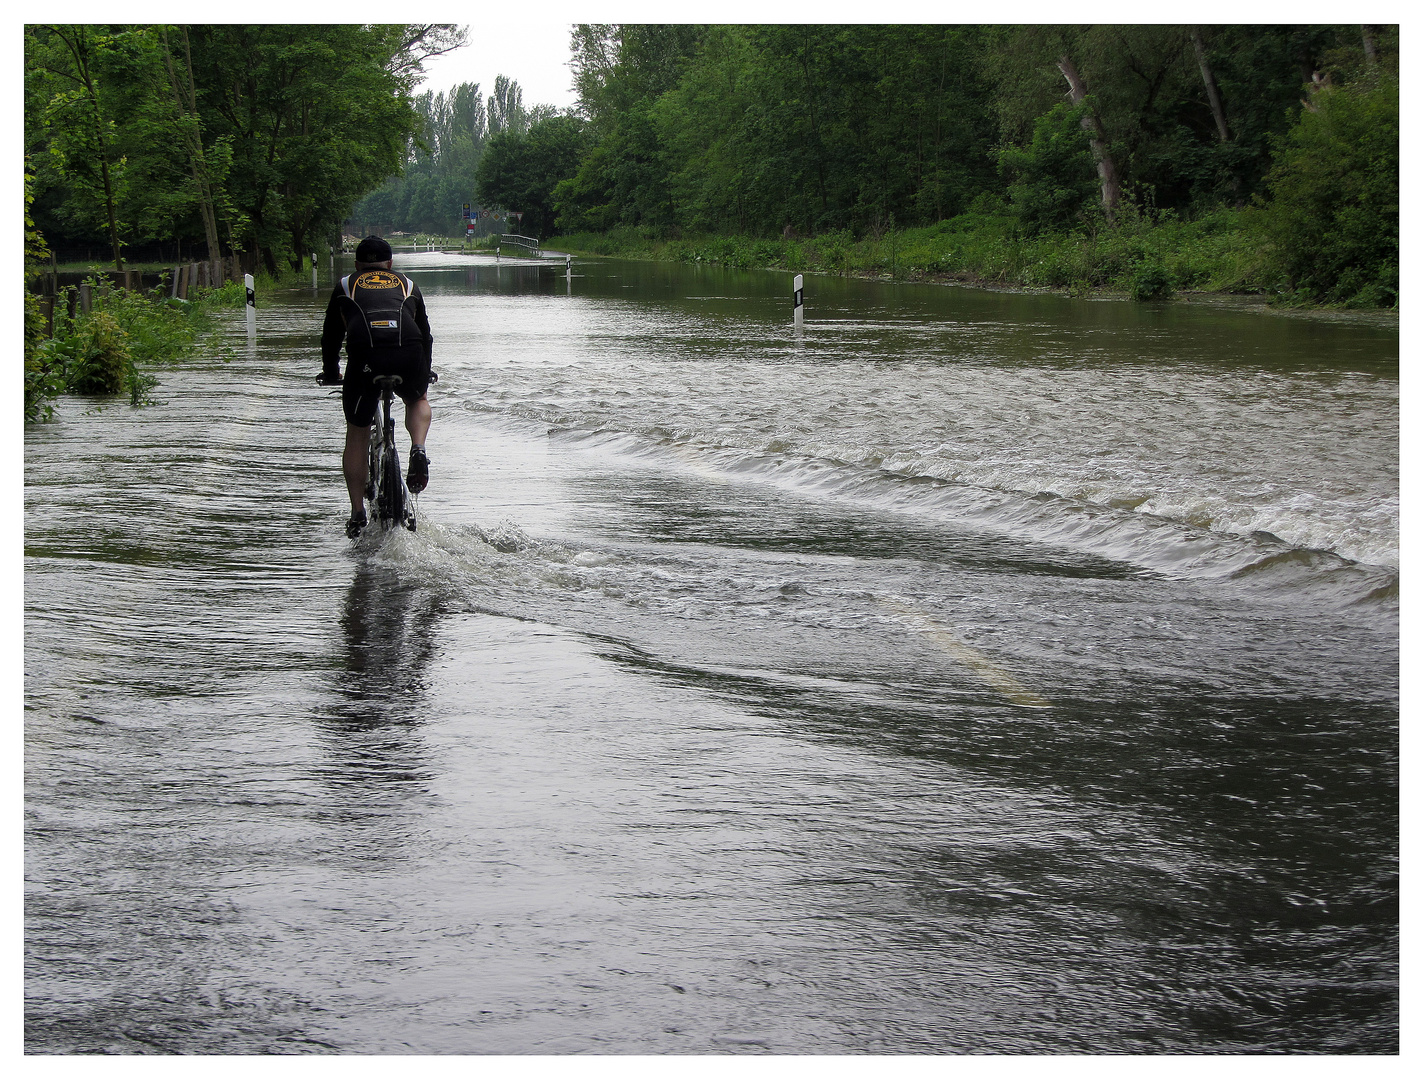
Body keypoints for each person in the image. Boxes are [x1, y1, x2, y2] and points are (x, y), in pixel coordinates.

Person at [318, 235, 434, 538]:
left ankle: (357, 513)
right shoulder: (407, 284)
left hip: (365, 357)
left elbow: (331, 338)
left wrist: (332, 372)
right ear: (390, 264)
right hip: (409, 352)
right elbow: (426, 335)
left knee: (357, 432)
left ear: (357, 265)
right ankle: (418, 449)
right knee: (417, 399)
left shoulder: (346, 284)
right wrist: (425, 372)